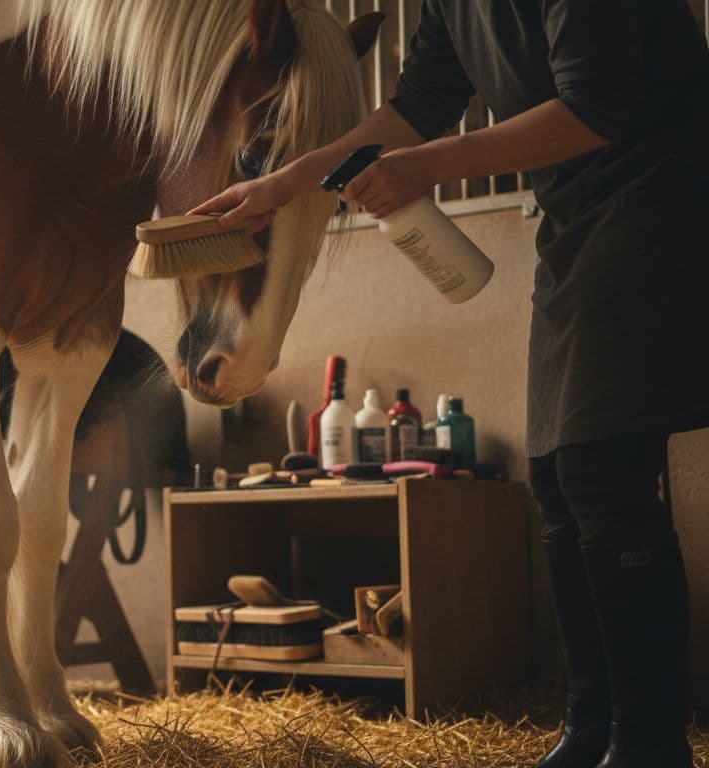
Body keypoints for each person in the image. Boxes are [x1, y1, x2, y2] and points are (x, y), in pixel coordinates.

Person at [192, 2, 709, 767]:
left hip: (664, 201)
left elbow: (595, 105)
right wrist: (286, 185)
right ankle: (593, 725)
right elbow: (415, 108)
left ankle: (651, 743)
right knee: (558, 479)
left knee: (604, 474)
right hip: (576, 218)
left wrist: (423, 168)